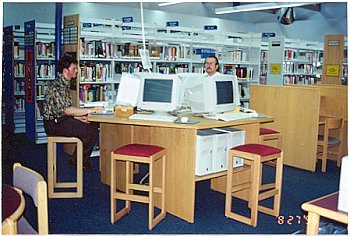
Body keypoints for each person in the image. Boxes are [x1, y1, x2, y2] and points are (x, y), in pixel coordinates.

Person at [43, 54, 103, 171]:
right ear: (66, 71)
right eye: (74, 69)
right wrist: (90, 110)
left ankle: (77, 159)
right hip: (54, 124)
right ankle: (79, 162)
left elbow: (64, 110)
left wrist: (78, 118)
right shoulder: (57, 87)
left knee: (92, 125)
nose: (77, 71)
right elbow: (67, 110)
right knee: (90, 131)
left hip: (61, 119)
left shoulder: (64, 84)